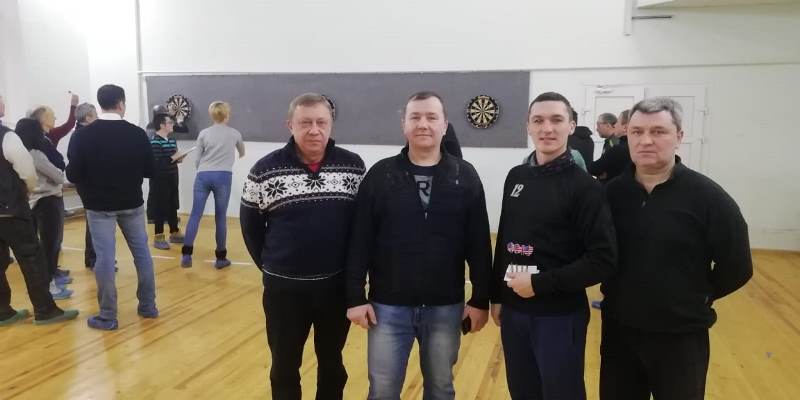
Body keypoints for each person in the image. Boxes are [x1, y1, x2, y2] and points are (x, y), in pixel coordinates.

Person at [600, 97, 752, 400]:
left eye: (658, 131)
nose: (646, 140)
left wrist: (699, 296)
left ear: (679, 137)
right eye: (637, 132)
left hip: (681, 336)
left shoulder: (708, 197)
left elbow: (737, 266)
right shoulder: (610, 195)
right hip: (620, 331)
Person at [346, 91, 492, 399]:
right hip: (387, 307)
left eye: (431, 117)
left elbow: (478, 243)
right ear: (404, 124)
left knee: (440, 389)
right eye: (415, 117)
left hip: (445, 307)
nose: (423, 124)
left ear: (444, 125)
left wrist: (480, 299)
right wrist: (355, 297)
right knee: (382, 391)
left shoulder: (464, 176)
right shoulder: (381, 175)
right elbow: (360, 240)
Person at [490, 92, 617, 399]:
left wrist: (539, 284)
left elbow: (603, 259)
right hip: (514, 312)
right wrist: (497, 295)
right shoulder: (516, 177)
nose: (547, 128)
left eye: (556, 120)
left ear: (571, 126)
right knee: (523, 391)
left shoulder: (585, 187)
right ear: (528, 127)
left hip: (559, 316)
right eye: (538, 120)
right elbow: (504, 238)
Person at [241, 93, 365, 399]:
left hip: (335, 290)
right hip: (284, 293)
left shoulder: (353, 167)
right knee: (284, 366)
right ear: (290, 125)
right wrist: (274, 267)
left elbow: (361, 228)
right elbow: (251, 229)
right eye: (305, 122)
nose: (314, 130)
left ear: (331, 124)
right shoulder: (263, 171)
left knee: (332, 364)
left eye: (321, 122)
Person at [66, 84, 158, 331]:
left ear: (100, 105)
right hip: (132, 203)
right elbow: (150, 170)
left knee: (105, 259)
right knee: (142, 255)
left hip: (99, 207)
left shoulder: (82, 136)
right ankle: (148, 306)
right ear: (121, 104)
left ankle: (108, 315)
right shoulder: (137, 134)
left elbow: (73, 174)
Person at [0, 94, 79, 326]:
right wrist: (27, 189)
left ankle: (3, 311)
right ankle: (45, 310)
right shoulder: (7, 136)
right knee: (31, 258)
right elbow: (26, 169)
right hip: (11, 209)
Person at [181, 101, 244, 268]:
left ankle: (186, 255)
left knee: (195, 214)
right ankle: (221, 258)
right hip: (223, 176)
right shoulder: (235, 133)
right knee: (220, 217)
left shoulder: (204, 133)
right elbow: (242, 152)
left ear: (212, 115)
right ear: (227, 115)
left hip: (203, 175)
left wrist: (203, 169)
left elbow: (197, 159)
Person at [14, 118, 73, 300]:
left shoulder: (18, 154)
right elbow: (57, 175)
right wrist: (60, 175)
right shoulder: (35, 154)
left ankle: (44, 284)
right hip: (47, 201)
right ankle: (49, 286)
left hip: (31, 202)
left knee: (40, 247)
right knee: (50, 246)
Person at [149, 114, 184, 250]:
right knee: (160, 207)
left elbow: (171, 158)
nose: (172, 124)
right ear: (162, 125)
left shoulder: (172, 140)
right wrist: (173, 158)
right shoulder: (155, 142)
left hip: (172, 176)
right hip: (160, 179)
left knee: (172, 204)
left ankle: (174, 232)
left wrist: (179, 158)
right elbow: (157, 163)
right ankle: (158, 237)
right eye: (170, 122)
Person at [72, 103, 100, 269]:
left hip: (87, 183)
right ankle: (93, 258)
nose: (98, 119)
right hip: (88, 184)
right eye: (95, 115)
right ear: (88, 118)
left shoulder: (81, 134)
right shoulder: (82, 136)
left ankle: (93, 257)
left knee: (93, 221)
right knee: (94, 221)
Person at [589, 109, 631, 183]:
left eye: (598, 125)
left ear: (608, 125)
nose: (596, 129)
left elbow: (601, 167)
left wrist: (605, 171)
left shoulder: (615, 143)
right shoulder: (611, 141)